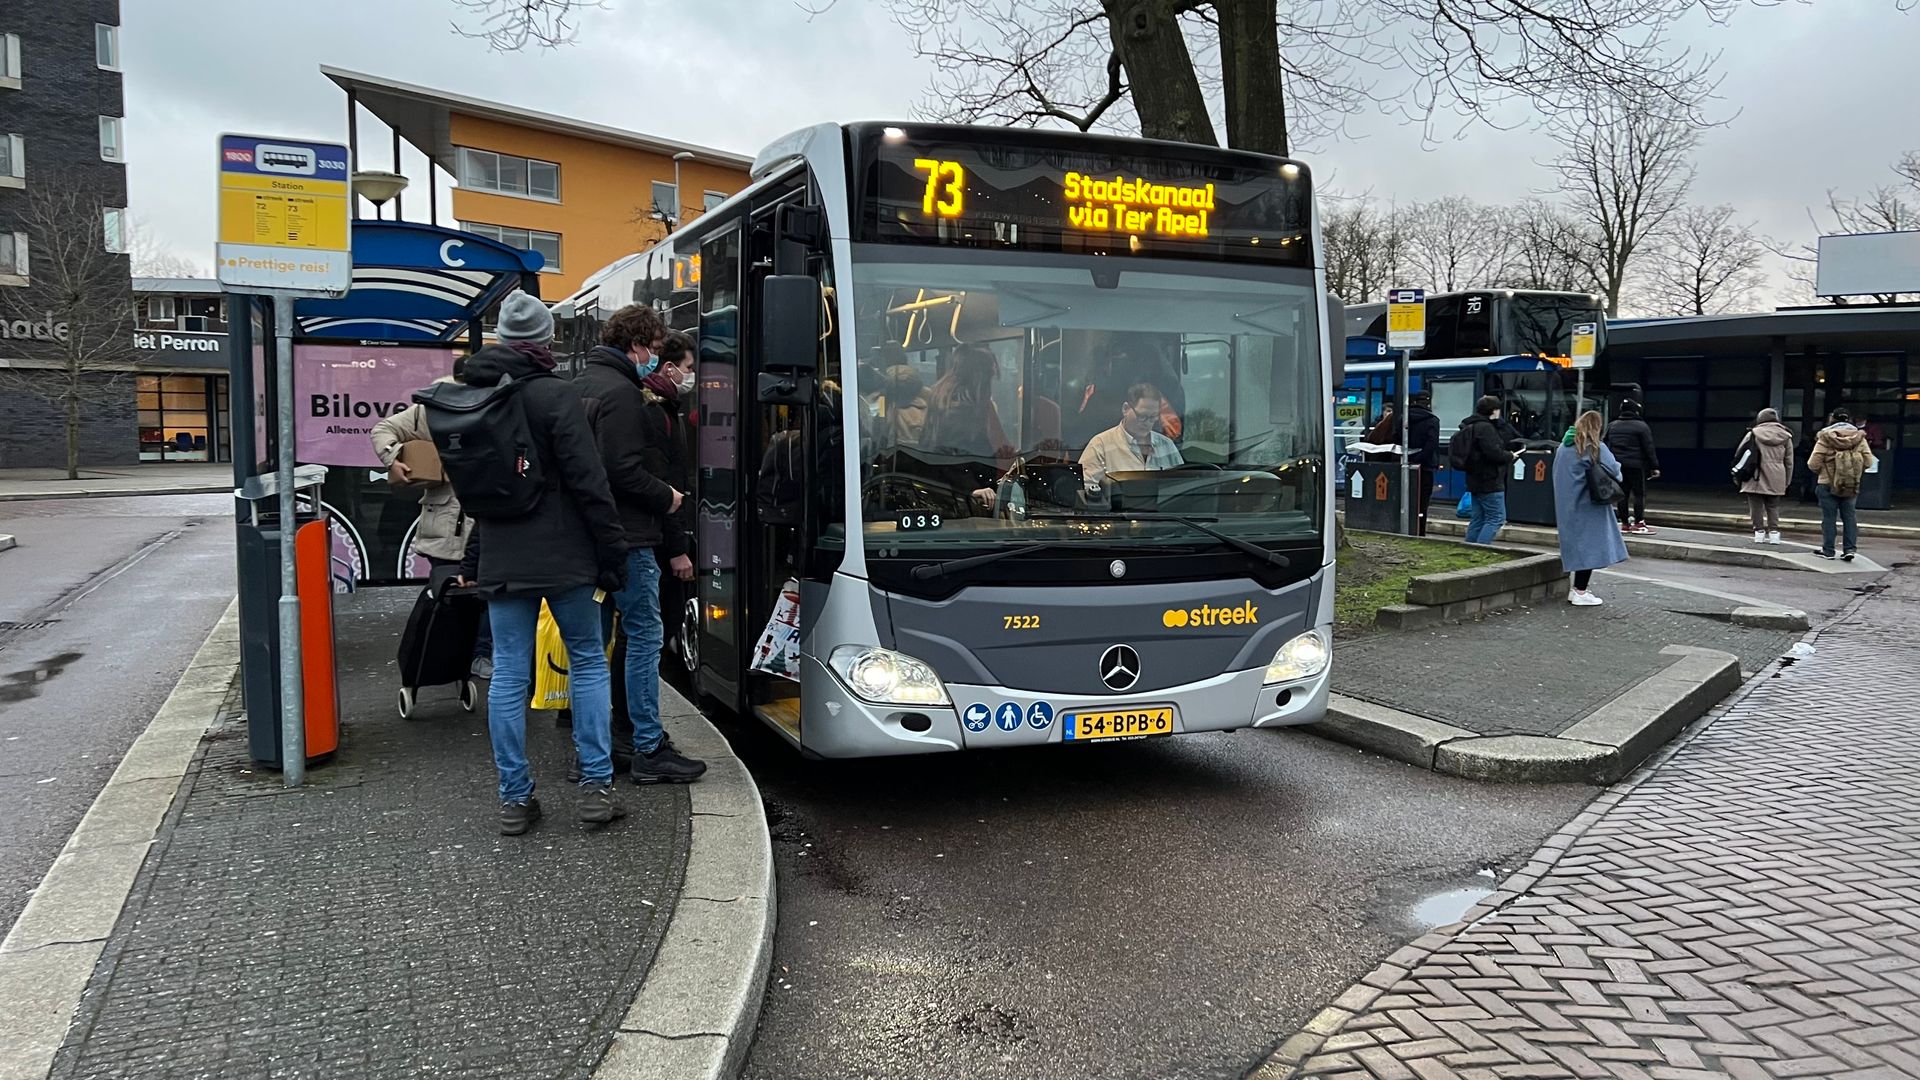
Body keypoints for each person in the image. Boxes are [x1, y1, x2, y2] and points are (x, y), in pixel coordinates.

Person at [453, 290, 631, 835]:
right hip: (566, 556)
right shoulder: (557, 397)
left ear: (503, 338)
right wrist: (612, 551)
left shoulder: (474, 396)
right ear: (546, 342)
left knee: (508, 671)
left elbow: (476, 490)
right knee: (587, 660)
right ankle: (596, 787)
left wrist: (475, 556)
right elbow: (589, 482)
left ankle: (515, 798)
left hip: (504, 556)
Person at [577, 305, 707, 784]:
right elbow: (625, 470)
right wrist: (668, 499)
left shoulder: (581, 385)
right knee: (643, 638)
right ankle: (646, 745)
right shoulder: (627, 397)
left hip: (591, 534)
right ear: (637, 346)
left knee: (592, 649)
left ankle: (598, 750)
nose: (654, 359)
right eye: (653, 350)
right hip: (631, 534)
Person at [370, 359, 491, 676]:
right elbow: (385, 429)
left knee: (488, 592)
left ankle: (482, 654)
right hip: (448, 521)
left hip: (479, 517)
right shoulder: (432, 408)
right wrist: (394, 458)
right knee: (452, 597)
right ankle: (456, 657)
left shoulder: (493, 403)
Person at [1553, 411, 1630, 606]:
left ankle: (1576, 589)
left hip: (1566, 505)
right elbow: (1616, 472)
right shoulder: (1594, 447)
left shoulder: (1563, 446)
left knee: (1576, 547)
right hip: (1589, 505)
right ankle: (1580, 591)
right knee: (1590, 548)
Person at [1078, 382, 1183, 489]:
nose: (1147, 422)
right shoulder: (1100, 445)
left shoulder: (1166, 445)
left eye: (1153, 417)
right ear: (1125, 409)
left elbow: (1182, 485)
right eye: (1142, 416)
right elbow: (1083, 488)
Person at [1807, 408, 1877, 562]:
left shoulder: (1825, 437)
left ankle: (1829, 551)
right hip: (1851, 484)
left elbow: (1813, 463)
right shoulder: (1859, 438)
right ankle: (1849, 549)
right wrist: (1853, 472)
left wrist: (1824, 472)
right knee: (1850, 517)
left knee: (1829, 518)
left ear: (1832, 419)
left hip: (1827, 484)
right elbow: (1868, 461)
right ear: (1848, 420)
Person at [919, 344, 1009, 459]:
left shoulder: (939, 398)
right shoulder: (972, 409)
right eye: (989, 377)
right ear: (980, 378)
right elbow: (996, 449)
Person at [1456, 395, 1515, 545]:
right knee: (1496, 518)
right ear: (1494, 411)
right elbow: (1494, 454)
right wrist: (1510, 455)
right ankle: (1482, 549)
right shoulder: (1486, 428)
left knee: (1478, 518)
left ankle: (1469, 549)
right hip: (1490, 480)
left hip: (1474, 479)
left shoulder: (1469, 425)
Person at [1734, 408, 1794, 545]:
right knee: (1773, 505)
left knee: (1756, 505)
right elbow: (1789, 461)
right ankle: (1774, 533)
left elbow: (1740, 453)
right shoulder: (1786, 436)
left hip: (1755, 474)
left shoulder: (1753, 434)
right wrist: (1787, 480)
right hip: (1777, 474)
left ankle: (1759, 532)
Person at [1604, 399, 1660, 535]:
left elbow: (1605, 445)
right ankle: (1639, 523)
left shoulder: (1612, 426)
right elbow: (1649, 448)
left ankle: (1624, 524)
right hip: (1636, 465)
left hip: (1618, 466)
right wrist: (1654, 466)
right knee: (1639, 494)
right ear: (1635, 410)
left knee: (1622, 494)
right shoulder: (1641, 426)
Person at [1404, 391, 1441, 536]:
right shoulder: (1432, 420)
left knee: (1406, 500)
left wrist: (1409, 457)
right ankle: (1420, 532)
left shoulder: (1404, 418)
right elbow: (1432, 444)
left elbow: (1396, 437)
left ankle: (1406, 530)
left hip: (1405, 463)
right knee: (1422, 503)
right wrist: (1420, 457)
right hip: (1425, 466)